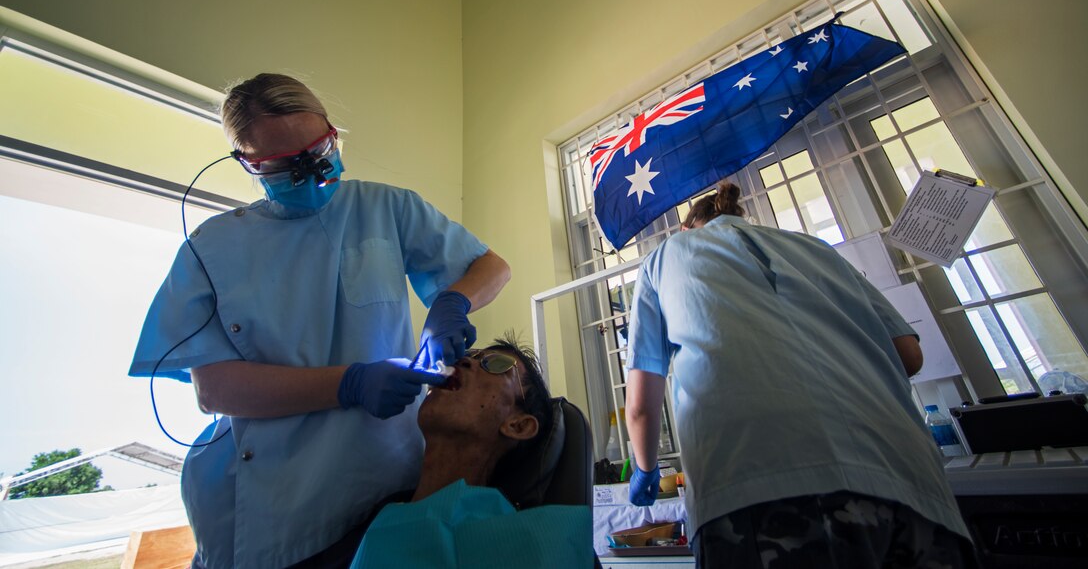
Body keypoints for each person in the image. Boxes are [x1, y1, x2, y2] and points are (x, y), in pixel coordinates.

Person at [128, 73, 511, 569]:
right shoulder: (212, 248)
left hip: (386, 477)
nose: (313, 172)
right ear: (248, 163)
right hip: (278, 505)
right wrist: (350, 383)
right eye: (288, 165)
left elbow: (492, 268)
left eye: (320, 148)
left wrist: (454, 301)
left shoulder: (385, 208)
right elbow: (215, 391)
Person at [624, 181, 976, 568]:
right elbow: (909, 356)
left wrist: (646, 469)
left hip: (762, 490)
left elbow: (641, 407)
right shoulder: (815, 248)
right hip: (913, 484)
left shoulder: (664, 258)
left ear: (688, 228)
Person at [290, 338, 592, 568]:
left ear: (518, 425)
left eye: (495, 364)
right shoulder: (376, 520)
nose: (463, 361)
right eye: (469, 356)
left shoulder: (542, 543)